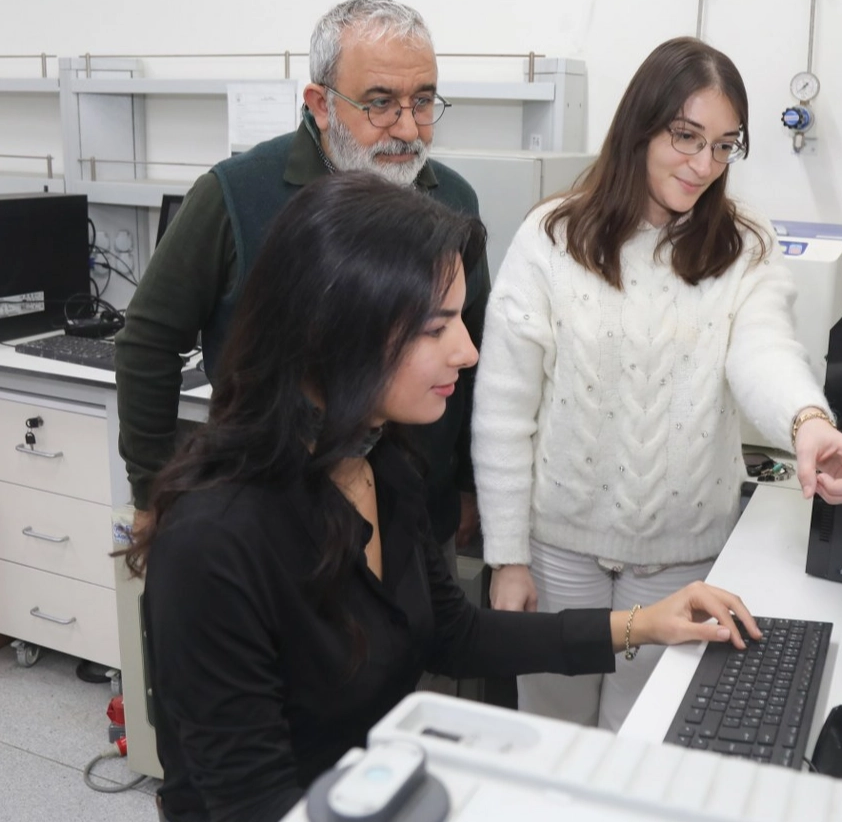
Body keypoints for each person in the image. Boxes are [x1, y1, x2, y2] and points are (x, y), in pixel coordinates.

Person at [126, 172, 760, 822]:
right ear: (336, 331)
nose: (468, 350)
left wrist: (644, 623)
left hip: (378, 792)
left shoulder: (379, 461)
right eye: (437, 327)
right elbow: (256, 804)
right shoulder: (215, 541)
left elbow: (453, 635)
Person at [473, 37, 842, 731]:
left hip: (680, 556)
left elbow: (763, 351)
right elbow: (504, 410)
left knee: (645, 738)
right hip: (558, 551)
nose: (703, 165)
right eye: (686, 137)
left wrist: (808, 421)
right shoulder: (551, 236)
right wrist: (507, 557)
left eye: (725, 146)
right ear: (640, 125)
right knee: (550, 735)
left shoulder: (743, 245)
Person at [114, 0, 487, 561]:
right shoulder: (236, 195)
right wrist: (151, 491)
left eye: (424, 101)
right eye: (381, 104)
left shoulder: (452, 200)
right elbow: (148, 343)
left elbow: (471, 347)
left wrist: (466, 485)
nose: (408, 128)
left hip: (411, 512)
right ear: (320, 104)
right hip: (273, 519)